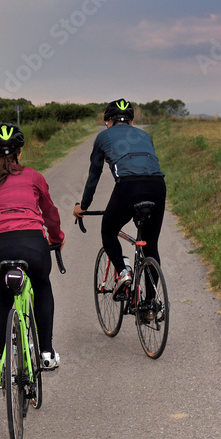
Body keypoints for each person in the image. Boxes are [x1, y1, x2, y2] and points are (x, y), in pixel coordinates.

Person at [0, 122, 65, 390]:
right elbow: (50, 213)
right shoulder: (34, 177)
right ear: (19, 153)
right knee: (43, 286)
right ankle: (46, 354)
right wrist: (57, 239)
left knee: (2, 302)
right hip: (33, 245)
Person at [72, 99, 166, 296]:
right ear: (131, 122)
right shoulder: (145, 135)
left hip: (128, 186)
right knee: (150, 244)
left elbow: (94, 176)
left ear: (108, 121)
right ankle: (150, 304)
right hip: (157, 185)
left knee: (108, 231)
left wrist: (84, 205)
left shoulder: (103, 137)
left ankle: (123, 272)